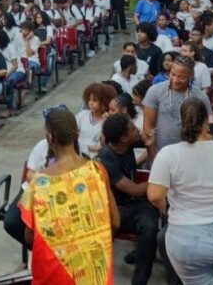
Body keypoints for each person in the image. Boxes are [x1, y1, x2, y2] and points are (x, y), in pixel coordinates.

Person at [147, 97, 213, 285]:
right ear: (208, 120)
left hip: (187, 240)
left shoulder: (168, 154)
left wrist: (166, 209)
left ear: (181, 121)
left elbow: (155, 195)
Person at [20, 108, 119, 285]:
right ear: (76, 134)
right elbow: (115, 222)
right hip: (95, 270)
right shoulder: (97, 171)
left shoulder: (39, 184)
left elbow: (29, 237)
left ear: (50, 137)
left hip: (56, 272)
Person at [98, 113, 158, 285]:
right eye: (133, 129)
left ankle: (141, 264)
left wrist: (150, 145)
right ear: (124, 138)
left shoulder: (127, 142)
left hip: (133, 202)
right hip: (114, 208)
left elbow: (154, 162)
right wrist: (158, 180)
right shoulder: (106, 159)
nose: (137, 130)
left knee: (153, 219)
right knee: (149, 226)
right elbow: (137, 190)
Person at [142, 54, 212, 159]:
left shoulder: (200, 97)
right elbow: (148, 129)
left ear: (191, 76)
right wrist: (153, 157)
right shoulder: (155, 91)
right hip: (160, 154)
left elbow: (207, 126)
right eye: (172, 74)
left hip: (190, 155)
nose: (175, 80)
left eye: (181, 77)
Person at [76, 82, 117, 155]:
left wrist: (104, 123)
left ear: (104, 102)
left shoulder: (109, 120)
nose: (90, 103)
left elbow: (107, 146)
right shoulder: (82, 115)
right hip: (79, 156)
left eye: (94, 100)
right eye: (89, 99)